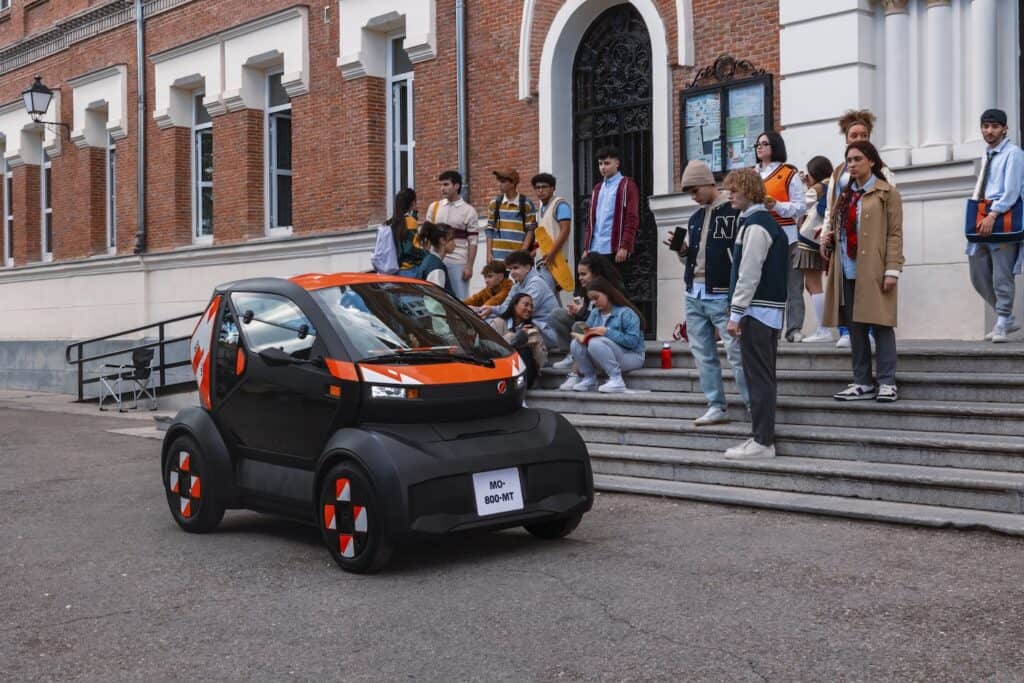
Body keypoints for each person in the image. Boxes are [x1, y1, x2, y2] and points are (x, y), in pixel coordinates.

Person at [820, 140, 905, 403]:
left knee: (881, 324)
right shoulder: (845, 194)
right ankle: (862, 381)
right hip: (846, 266)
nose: (853, 165)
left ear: (871, 161)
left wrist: (893, 269)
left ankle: (887, 381)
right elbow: (837, 225)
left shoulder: (886, 193)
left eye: (857, 159)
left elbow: (894, 233)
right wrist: (829, 237)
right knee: (855, 327)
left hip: (875, 268)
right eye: (849, 160)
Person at [670, 160, 749, 426]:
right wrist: (682, 251)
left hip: (722, 292)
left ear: (707, 183)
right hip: (695, 292)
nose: (693, 197)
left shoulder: (733, 210)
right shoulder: (694, 218)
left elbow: (739, 253)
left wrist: (736, 296)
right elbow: (693, 257)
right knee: (702, 353)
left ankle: (752, 403)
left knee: (736, 353)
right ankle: (716, 404)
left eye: (694, 190)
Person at [723, 168, 789, 459]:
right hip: (764, 310)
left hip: (758, 312)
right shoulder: (756, 223)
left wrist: (735, 313)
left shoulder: (757, 225)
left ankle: (762, 440)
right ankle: (761, 438)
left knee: (758, 377)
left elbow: (748, 275)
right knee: (761, 376)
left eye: (734, 190)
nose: (730, 195)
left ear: (749, 190)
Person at [824, 110, 896, 349]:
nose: (858, 139)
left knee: (871, 293)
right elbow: (832, 206)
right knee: (845, 291)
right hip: (845, 241)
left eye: (863, 135)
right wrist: (827, 231)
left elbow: (889, 209)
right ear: (846, 138)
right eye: (854, 135)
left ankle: (873, 332)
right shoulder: (838, 172)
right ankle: (846, 330)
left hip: (869, 241)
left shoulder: (883, 171)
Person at [966, 108, 1023, 342]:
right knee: (977, 271)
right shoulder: (987, 154)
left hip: (1002, 217)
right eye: (986, 126)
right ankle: (1006, 317)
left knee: (1002, 273)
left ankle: (1001, 319)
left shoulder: (1014, 153)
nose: (989, 131)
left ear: (1004, 129)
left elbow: (1011, 190)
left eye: (995, 126)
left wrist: (993, 214)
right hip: (983, 214)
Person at [754, 131, 806, 342]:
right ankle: (769, 330)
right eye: (757, 144)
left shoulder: (788, 173)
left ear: (775, 146)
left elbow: (801, 207)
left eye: (765, 144)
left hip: (787, 237)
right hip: (759, 236)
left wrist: (776, 205)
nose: (760, 147)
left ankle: (793, 329)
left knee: (793, 286)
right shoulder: (751, 174)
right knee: (766, 286)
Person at [551, 253, 624, 385]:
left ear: (595, 273)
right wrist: (575, 310)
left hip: (605, 333)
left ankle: (577, 365)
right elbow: (584, 312)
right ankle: (570, 353)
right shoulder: (583, 288)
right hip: (586, 325)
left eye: (584, 274)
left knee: (579, 326)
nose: (580, 278)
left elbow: (603, 317)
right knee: (557, 315)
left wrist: (582, 312)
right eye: (579, 274)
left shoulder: (609, 289)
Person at [567, 277, 645, 394]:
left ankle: (616, 379)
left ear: (607, 293)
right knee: (576, 343)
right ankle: (589, 378)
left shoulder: (626, 313)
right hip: (604, 354)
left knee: (595, 342)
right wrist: (582, 335)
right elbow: (587, 332)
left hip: (632, 356)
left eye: (596, 298)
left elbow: (632, 341)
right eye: (591, 300)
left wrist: (606, 332)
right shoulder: (595, 313)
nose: (593, 302)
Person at [478, 250, 560, 350]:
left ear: (527, 267)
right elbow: (505, 308)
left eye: (516, 267)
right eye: (510, 269)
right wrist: (490, 310)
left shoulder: (536, 283)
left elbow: (521, 312)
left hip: (545, 332)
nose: (512, 272)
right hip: (529, 326)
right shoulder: (518, 285)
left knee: (507, 333)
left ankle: (492, 353)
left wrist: (492, 312)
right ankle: (489, 352)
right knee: (497, 322)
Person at [583, 146, 640, 283]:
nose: (603, 167)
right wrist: (586, 247)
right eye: (600, 164)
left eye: (607, 163)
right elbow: (592, 221)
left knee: (615, 290)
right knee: (596, 288)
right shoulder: (597, 188)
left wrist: (625, 246)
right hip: (595, 249)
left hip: (613, 249)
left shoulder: (626, 185)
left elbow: (632, 218)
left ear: (617, 163)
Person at [795, 156, 835, 343]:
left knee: (813, 286)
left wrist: (804, 187)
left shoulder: (818, 188)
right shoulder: (831, 185)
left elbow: (801, 205)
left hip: (808, 241)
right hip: (818, 240)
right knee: (815, 286)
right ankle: (823, 329)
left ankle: (823, 330)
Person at [425, 171, 479, 300]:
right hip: (436, 259)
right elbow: (426, 234)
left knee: (459, 299)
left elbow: (473, 241)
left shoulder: (469, 211)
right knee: (436, 298)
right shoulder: (434, 207)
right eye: (441, 185)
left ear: (457, 186)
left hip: (458, 261)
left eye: (446, 184)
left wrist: (469, 266)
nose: (442, 188)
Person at [490, 293, 547, 388]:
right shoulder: (498, 323)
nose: (529, 309)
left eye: (531, 306)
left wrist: (536, 346)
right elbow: (491, 347)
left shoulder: (532, 328)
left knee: (526, 351)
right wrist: (517, 337)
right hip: (502, 369)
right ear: (514, 305)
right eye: (526, 305)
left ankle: (520, 390)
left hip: (526, 372)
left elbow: (542, 362)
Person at [531, 173, 574, 296]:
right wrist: (532, 254)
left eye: (544, 187)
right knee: (550, 297)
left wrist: (552, 253)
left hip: (555, 260)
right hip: (543, 261)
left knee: (548, 297)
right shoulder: (540, 210)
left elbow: (565, 230)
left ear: (553, 188)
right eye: (537, 188)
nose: (540, 190)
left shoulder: (560, 204)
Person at [486, 169, 537, 263]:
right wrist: (489, 253)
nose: (499, 184)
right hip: (497, 258)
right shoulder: (494, 203)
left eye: (503, 181)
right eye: (499, 181)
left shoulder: (526, 203)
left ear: (513, 183)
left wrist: (522, 253)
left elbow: (530, 230)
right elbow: (490, 229)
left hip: (517, 259)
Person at [372, 188, 424, 275]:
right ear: (412, 203)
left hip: (394, 270)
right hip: (409, 269)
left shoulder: (388, 223)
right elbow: (412, 249)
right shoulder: (410, 222)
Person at [416, 221, 457, 297]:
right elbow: (436, 300)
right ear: (442, 241)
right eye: (452, 239)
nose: (455, 244)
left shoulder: (430, 260)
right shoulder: (436, 267)